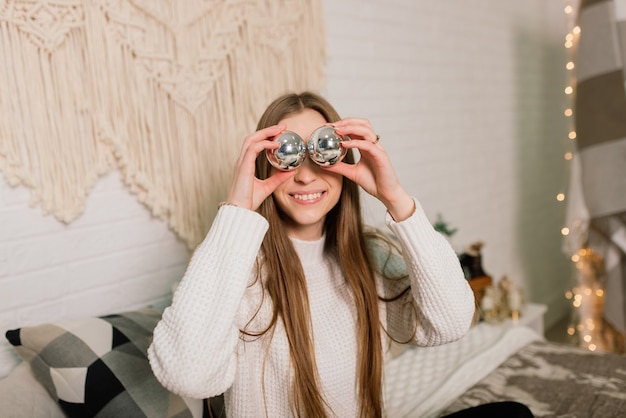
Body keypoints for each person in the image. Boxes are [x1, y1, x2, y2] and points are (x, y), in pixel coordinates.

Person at [147, 92, 531, 418]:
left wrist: (395, 199)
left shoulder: (370, 254)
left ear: (342, 161)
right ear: (265, 163)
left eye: (322, 152)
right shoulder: (234, 265)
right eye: (289, 154)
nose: (306, 176)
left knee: (511, 414)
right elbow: (188, 375)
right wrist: (237, 211)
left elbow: (450, 323)